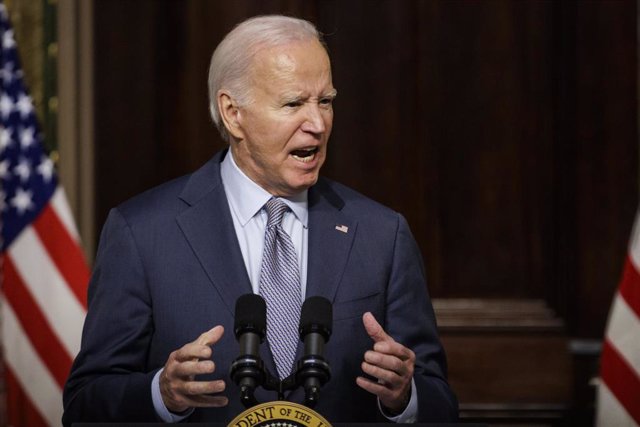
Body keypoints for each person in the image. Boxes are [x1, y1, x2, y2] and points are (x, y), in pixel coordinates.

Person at [62, 15, 458, 424]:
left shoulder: (381, 235)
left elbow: (441, 406)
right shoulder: (143, 234)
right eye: (293, 103)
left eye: (325, 101)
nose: (318, 124)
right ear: (233, 113)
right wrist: (162, 394)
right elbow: (83, 406)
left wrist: (403, 397)